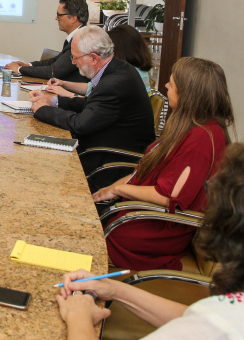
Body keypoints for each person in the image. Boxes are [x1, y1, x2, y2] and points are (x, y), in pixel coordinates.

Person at [56, 142, 244, 339]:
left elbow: (210, 325)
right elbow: (200, 319)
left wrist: (78, 317)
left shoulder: (226, 325)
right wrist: (113, 289)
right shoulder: (224, 316)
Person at [91, 57, 235, 271]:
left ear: (188, 95)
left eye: (172, 84)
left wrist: (118, 189)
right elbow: (146, 171)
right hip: (138, 214)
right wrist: (111, 189)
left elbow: (167, 197)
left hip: (151, 232)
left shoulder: (201, 139)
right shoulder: (193, 126)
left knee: (80, 238)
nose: (166, 85)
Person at [31, 26, 155, 153]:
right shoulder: (118, 68)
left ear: (94, 58)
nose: (73, 62)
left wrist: (43, 110)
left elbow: (80, 125)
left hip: (110, 155)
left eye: (75, 58)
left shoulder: (113, 83)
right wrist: (54, 101)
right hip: (106, 143)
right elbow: (92, 105)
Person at [46, 24, 154, 99]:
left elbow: (95, 103)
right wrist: (64, 84)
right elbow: (91, 87)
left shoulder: (125, 76)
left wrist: (66, 94)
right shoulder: (133, 70)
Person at [5, 0, 89, 83]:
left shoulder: (81, 40)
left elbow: (53, 71)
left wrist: (20, 69)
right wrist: (28, 65)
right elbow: (55, 61)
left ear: (73, 18)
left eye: (59, 15)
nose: (56, 18)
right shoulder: (78, 36)